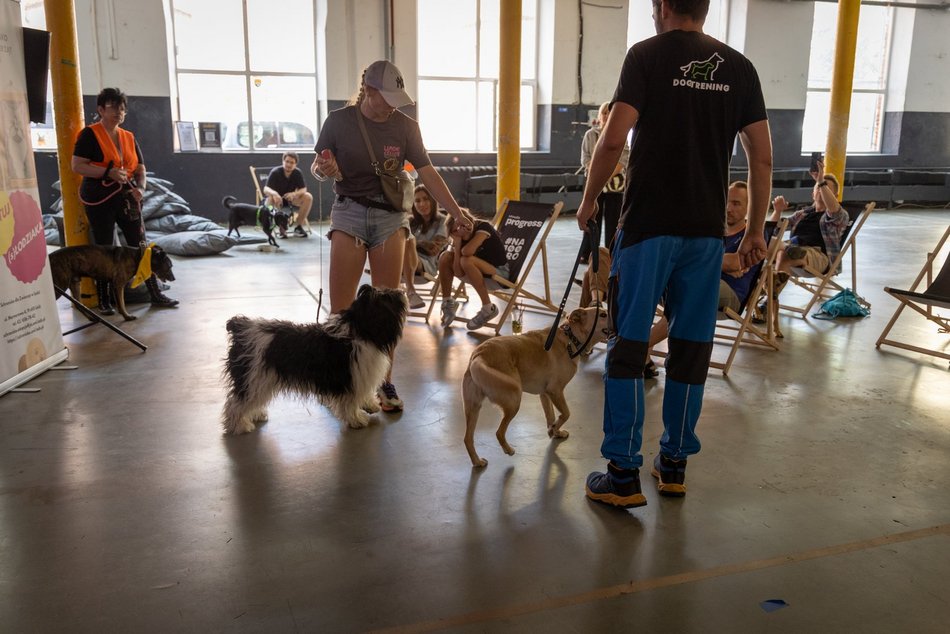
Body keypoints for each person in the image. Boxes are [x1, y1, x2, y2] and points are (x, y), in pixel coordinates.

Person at [576, 0, 772, 509]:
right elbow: (762, 154)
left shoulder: (645, 56)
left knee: (629, 344)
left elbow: (614, 138)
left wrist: (590, 197)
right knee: (689, 346)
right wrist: (753, 229)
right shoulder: (740, 67)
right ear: (704, 9)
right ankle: (675, 464)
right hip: (706, 235)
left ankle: (621, 473)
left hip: (647, 228)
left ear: (661, 7)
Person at [312, 60, 471, 412]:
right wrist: (325, 169)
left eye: (397, 98)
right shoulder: (338, 122)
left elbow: (427, 172)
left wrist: (457, 212)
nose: (393, 105)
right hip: (349, 211)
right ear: (368, 91)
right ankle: (340, 384)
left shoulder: (406, 126)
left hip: (390, 217)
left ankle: (382, 383)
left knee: (388, 307)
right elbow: (319, 165)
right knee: (342, 309)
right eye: (386, 97)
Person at [70, 87, 178, 314]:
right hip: (99, 198)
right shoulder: (89, 135)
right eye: (113, 108)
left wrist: (140, 187)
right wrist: (107, 173)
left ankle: (155, 293)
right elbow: (77, 165)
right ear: (100, 109)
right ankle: (105, 300)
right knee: (104, 248)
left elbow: (141, 168)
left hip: (127, 197)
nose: (118, 112)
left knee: (140, 244)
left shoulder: (128, 137)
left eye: (122, 109)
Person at [646, 181, 764, 376]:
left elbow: (735, 263)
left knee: (693, 285)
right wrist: (718, 263)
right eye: (727, 202)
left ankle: (640, 346)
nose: (728, 208)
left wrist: (698, 261)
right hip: (692, 281)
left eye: (736, 204)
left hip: (728, 292)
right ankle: (588, 328)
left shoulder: (751, 236)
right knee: (606, 258)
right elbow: (687, 257)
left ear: (749, 208)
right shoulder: (712, 230)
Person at [769, 161, 848, 294]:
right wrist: (777, 211)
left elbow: (833, 209)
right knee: (763, 243)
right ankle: (766, 296)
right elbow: (773, 229)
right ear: (813, 193)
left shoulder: (839, 216)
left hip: (817, 255)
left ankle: (770, 299)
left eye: (826, 189)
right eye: (818, 187)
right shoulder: (802, 213)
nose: (821, 190)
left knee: (783, 253)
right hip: (792, 249)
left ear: (834, 197)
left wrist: (821, 180)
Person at [437, 210, 509, 331]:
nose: (460, 230)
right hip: (477, 274)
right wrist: (458, 243)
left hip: (499, 274)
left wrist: (461, 244)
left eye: (462, 225)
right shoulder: (458, 239)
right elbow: (459, 273)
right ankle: (448, 302)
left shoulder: (482, 227)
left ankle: (488, 308)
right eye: (456, 231)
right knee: (445, 256)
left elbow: (467, 252)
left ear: (469, 220)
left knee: (466, 260)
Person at [579, 101, 630, 261]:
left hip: (615, 187)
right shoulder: (590, 135)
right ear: (600, 116)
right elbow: (586, 158)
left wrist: (603, 175)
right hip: (593, 186)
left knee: (613, 221)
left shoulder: (622, 137)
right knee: (591, 220)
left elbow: (623, 160)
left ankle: (611, 252)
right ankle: (587, 253)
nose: (607, 116)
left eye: (610, 113)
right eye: (604, 113)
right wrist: (597, 176)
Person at [403, 185, 448, 309]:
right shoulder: (410, 222)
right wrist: (421, 243)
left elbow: (433, 249)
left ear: (433, 200)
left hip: (426, 265)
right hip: (402, 261)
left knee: (408, 241)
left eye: (426, 199)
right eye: (417, 201)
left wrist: (414, 243)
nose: (422, 204)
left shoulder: (443, 221)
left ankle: (411, 291)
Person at [263, 151, 313, 238]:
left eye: (292, 162)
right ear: (283, 161)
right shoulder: (275, 172)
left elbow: (303, 189)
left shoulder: (297, 173)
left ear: (295, 164)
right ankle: (281, 228)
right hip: (276, 201)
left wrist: (294, 194)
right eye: (287, 161)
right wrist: (275, 194)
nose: (289, 164)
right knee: (271, 198)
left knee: (308, 197)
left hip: (290, 200)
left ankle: (298, 227)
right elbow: (265, 189)